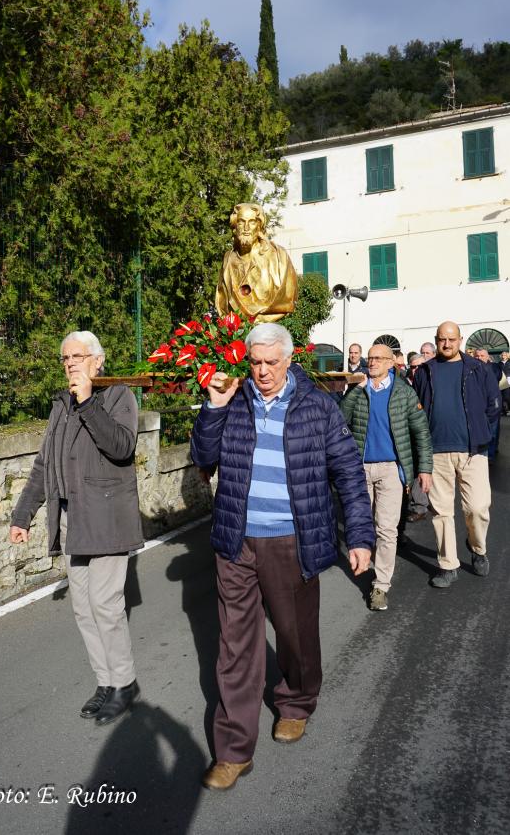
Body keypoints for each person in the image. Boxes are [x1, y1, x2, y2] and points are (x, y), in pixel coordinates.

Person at [191, 323, 374, 791]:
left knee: (294, 636)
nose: (263, 371)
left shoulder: (317, 407)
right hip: (236, 541)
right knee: (235, 647)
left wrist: (359, 536)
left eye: (272, 362)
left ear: (290, 360)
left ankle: (295, 701)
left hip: (292, 542)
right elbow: (203, 459)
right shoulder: (232, 401)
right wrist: (212, 408)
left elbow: (349, 472)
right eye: (255, 362)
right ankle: (234, 750)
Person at [10, 331, 143, 724]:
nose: (70, 363)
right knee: (83, 608)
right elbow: (43, 464)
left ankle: (125, 682)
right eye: (65, 357)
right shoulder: (60, 406)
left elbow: (121, 446)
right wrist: (22, 515)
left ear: (97, 361)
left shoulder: (119, 396)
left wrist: (87, 401)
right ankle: (105, 681)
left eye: (78, 356)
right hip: (72, 518)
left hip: (105, 516)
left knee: (105, 604)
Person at [341, 345, 432, 611]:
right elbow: (339, 420)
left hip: (392, 469)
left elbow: (421, 433)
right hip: (360, 469)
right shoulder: (359, 391)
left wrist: (424, 469)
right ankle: (363, 562)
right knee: (362, 524)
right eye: (370, 358)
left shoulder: (404, 393)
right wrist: (354, 391)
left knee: (387, 528)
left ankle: (380, 585)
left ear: (391, 364)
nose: (372, 363)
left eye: (377, 359)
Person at [413, 322, 501, 587]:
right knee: (441, 512)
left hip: (473, 451)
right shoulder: (425, 371)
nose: (447, 344)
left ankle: (477, 548)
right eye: (442, 340)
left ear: (460, 340)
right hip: (437, 451)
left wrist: (480, 430)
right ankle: (447, 565)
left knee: (477, 507)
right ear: (436, 340)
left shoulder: (478, 369)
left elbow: (493, 405)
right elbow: (417, 410)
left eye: (452, 339)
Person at [215, 203, 298, 322]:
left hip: (268, 332)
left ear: (259, 226)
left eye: (252, 222)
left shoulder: (279, 257)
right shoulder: (228, 259)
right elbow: (222, 301)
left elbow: (287, 299)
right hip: (236, 332)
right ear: (235, 227)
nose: (246, 228)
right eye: (241, 222)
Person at [475, 348, 503, 462]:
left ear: (487, 357)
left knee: (493, 431)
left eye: (482, 355)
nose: (479, 358)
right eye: (477, 356)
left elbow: (498, 376)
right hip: (479, 406)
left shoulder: (494, 367)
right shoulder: (472, 368)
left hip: (493, 403)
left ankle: (491, 454)